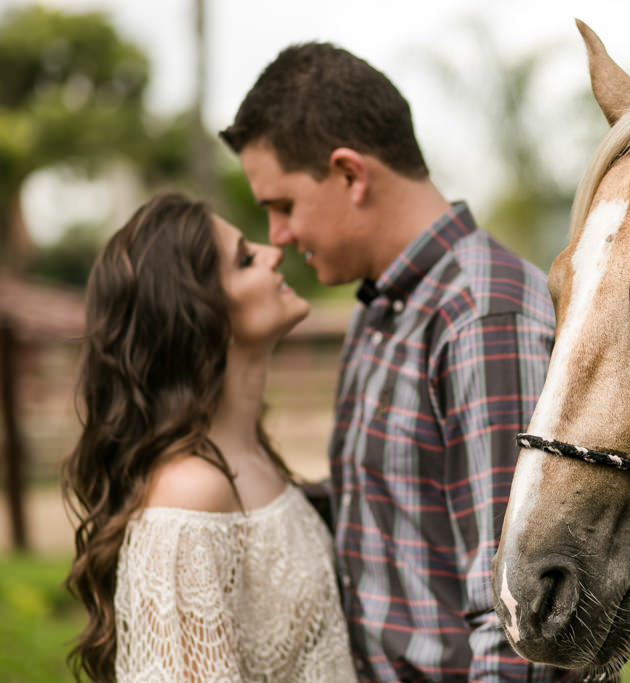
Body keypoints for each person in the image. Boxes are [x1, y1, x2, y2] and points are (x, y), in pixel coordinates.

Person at [220, 44, 571, 681]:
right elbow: (391, 512)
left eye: (283, 205)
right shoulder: (382, 308)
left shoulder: (481, 316)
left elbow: (515, 617)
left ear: (350, 175)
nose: (277, 236)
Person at [61, 193, 357, 682]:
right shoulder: (190, 493)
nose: (273, 251)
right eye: (245, 259)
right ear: (198, 314)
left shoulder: (250, 455)